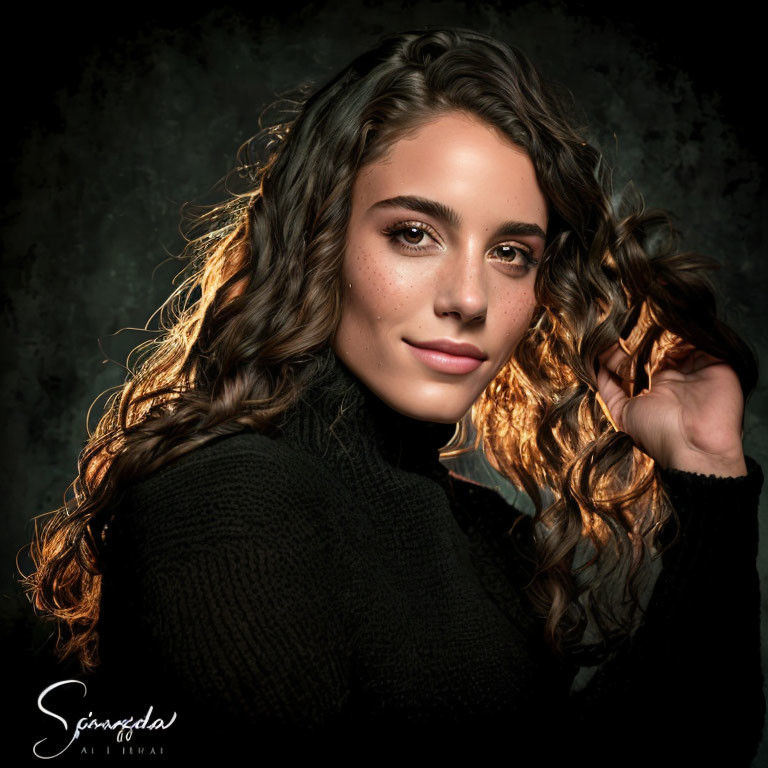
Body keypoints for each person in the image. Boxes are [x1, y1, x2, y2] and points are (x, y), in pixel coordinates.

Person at [23, 27, 764, 766]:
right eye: (414, 233)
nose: (470, 298)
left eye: (511, 254)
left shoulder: (487, 532)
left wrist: (708, 470)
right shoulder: (226, 498)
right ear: (323, 237)